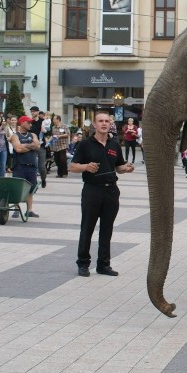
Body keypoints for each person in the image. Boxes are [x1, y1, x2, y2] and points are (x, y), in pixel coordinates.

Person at [70, 110, 134, 277]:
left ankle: (103, 265)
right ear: (94, 125)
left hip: (111, 191)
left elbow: (119, 166)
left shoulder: (114, 145)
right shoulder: (85, 144)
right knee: (87, 228)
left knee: (107, 229)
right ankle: (83, 263)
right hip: (92, 190)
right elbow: (73, 166)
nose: (104, 124)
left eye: (107, 121)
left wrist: (127, 168)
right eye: (100, 121)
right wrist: (85, 167)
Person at [10, 115, 42, 218]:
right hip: (19, 165)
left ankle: (29, 210)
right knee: (17, 188)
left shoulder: (33, 134)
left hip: (31, 166)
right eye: (28, 123)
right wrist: (30, 145)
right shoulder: (15, 136)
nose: (30, 124)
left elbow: (37, 146)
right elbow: (18, 149)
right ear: (22, 123)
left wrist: (25, 146)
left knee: (31, 189)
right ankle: (16, 209)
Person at [29, 106, 48, 188]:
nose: (33, 113)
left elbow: (48, 131)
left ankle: (43, 179)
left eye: (34, 111)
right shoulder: (30, 122)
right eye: (31, 111)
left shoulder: (42, 121)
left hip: (41, 145)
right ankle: (34, 180)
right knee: (32, 164)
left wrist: (45, 131)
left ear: (37, 112)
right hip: (32, 145)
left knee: (41, 166)